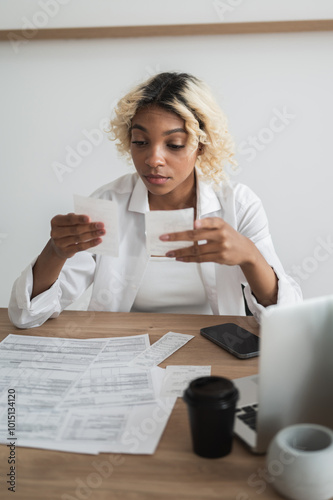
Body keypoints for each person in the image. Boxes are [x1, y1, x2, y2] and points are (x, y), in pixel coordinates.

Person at [8, 72, 302, 328]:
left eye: (174, 144)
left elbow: (287, 320)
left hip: (212, 353)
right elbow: (26, 316)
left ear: (201, 144)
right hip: (125, 350)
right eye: (140, 142)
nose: (153, 159)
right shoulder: (107, 204)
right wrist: (56, 252)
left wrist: (250, 257)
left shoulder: (238, 205)